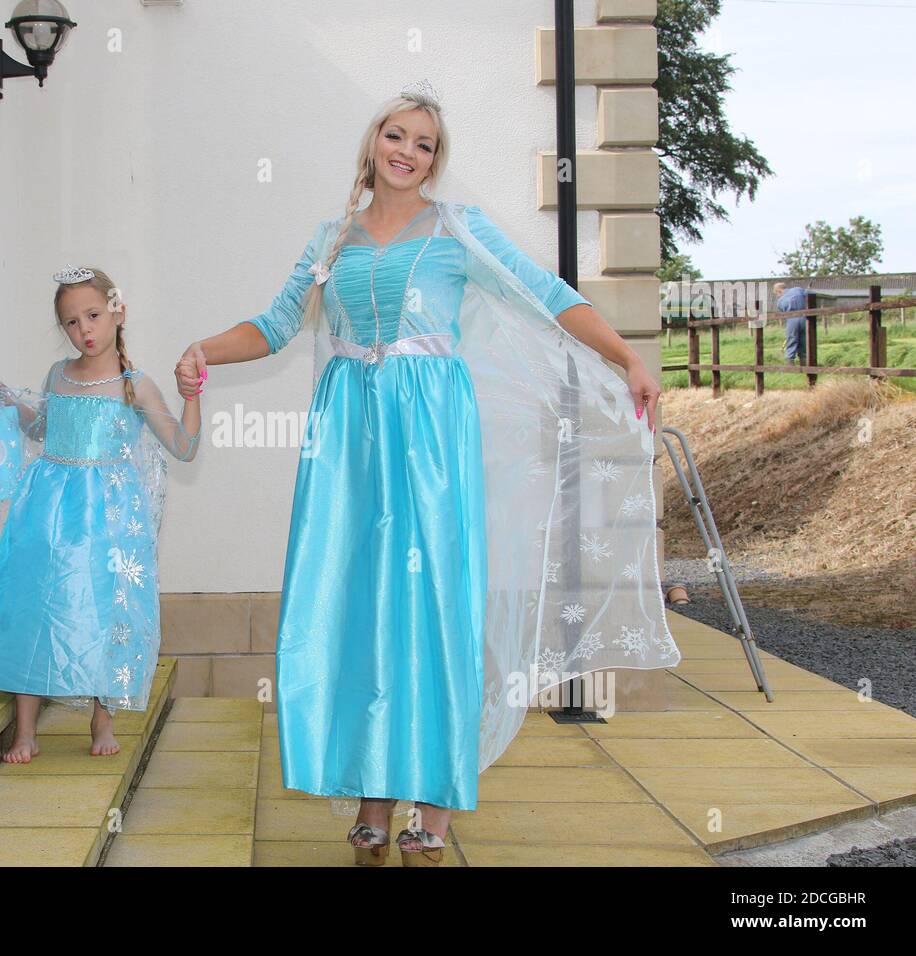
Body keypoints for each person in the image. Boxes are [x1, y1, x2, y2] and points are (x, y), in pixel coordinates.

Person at [174, 80, 680, 867]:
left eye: (426, 145)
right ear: (372, 143)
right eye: (398, 137)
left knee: (437, 607)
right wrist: (205, 347)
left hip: (431, 436)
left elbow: (547, 295)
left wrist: (624, 356)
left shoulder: (459, 231)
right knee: (360, 608)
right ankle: (375, 795)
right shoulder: (330, 240)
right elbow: (275, 326)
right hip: (348, 439)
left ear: (434, 162)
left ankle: (435, 810)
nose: (409, 153)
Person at [0, 265, 201, 763]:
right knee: (33, 602)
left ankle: (102, 717)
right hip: (45, 505)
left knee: (102, 606)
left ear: (118, 312)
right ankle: (26, 729)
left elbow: (183, 448)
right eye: (72, 323)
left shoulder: (133, 385)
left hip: (107, 514)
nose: (85, 330)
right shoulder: (58, 375)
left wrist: (191, 400)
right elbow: (44, 433)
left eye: (93, 315)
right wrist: (10, 403)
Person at [774, 281, 809, 366]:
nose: (777, 296)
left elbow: (783, 312)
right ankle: (804, 362)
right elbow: (807, 295)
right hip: (805, 317)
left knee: (792, 340)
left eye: (776, 294)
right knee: (804, 340)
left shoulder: (780, 301)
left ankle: (790, 363)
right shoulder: (798, 289)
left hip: (791, 320)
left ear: (779, 291)